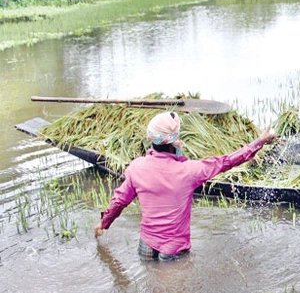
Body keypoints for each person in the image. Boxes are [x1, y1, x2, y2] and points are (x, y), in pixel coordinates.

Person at [94, 111, 276, 261]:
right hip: (173, 250)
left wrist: (103, 224)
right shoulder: (190, 171)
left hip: (146, 247)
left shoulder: (136, 167)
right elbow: (226, 161)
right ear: (175, 141)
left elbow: (119, 201)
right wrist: (259, 141)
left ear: (152, 140)